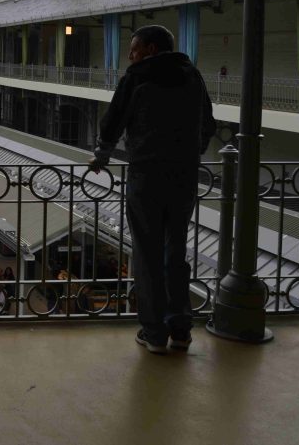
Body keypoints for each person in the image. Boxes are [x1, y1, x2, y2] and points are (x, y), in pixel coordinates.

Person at [89, 25, 216, 355]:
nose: (130, 56)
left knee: (147, 253)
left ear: (150, 49)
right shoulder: (193, 76)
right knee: (175, 252)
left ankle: (155, 332)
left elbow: (113, 119)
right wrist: (190, 152)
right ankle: (181, 329)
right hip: (184, 176)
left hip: (147, 175)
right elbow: (208, 125)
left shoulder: (139, 76)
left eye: (134, 49)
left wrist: (102, 154)